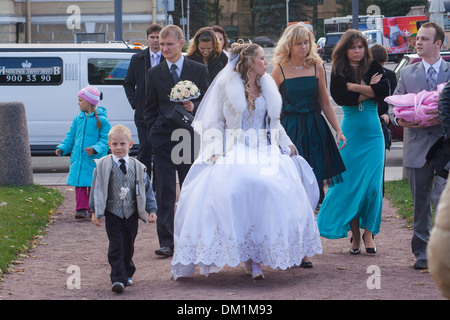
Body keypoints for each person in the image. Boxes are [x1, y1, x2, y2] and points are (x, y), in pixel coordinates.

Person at [170, 42, 322, 280]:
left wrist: (286, 143)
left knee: (273, 188)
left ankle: (257, 259)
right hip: (235, 145)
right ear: (250, 61)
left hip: (264, 147)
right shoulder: (226, 86)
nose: (266, 62)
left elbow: (274, 122)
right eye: (262, 58)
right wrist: (215, 149)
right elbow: (216, 123)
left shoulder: (268, 85)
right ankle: (245, 253)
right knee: (241, 185)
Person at [317, 29, 390, 255]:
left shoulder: (374, 67)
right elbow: (340, 97)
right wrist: (369, 90)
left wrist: (354, 87)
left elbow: (383, 92)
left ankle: (369, 234)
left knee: (372, 187)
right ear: (345, 49)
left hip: (373, 135)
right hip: (350, 134)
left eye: (360, 47)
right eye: (353, 47)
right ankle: (355, 236)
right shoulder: (338, 70)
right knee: (349, 185)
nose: (357, 51)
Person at [387, 22, 450, 270]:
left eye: (424, 39)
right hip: (417, 145)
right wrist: (397, 119)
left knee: (443, 198)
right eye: (417, 39)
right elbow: (393, 107)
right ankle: (422, 252)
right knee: (420, 201)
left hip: (445, 145)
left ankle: (442, 250)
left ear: (438, 43)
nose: (418, 42)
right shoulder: (407, 73)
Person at [144, 25, 211, 257]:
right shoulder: (154, 73)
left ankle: (192, 239)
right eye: (161, 45)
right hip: (163, 139)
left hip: (189, 139)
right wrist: (154, 132)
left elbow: (210, 103)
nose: (163, 48)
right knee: (164, 191)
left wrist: (195, 107)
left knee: (191, 189)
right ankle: (167, 242)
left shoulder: (198, 70)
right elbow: (148, 108)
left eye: (168, 44)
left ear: (181, 43)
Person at [271, 23, 346, 210]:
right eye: (298, 43)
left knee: (317, 174)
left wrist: (338, 130)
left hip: (315, 126)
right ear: (289, 45)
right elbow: (271, 107)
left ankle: (315, 220)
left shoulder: (317, 67)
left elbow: (325, 103)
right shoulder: (279, 70)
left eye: (306, 42)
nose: (303, 47)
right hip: (290, 128)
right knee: (293, 174)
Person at [90, 125, 157, 294]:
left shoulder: (138, 166)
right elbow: (96, 188)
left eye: (122, 144)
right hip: (113, 212)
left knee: (128, 244)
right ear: (109, 145)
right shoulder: (103, 165)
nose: (118, 148)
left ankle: (127, 272)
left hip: (132, 213)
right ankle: (117, 279)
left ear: (130, 144)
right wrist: (94, 211)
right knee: (116, 245)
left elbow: (146, 188)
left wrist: (152, 209)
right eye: (114, 144)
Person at [56, 86, 111, 219]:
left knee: (94, 184)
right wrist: (63, 147)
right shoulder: (78, 119)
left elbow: (106, 140)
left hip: (93, 159)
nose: (78, 103)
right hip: (79, 158)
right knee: (80, 184)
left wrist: (95, 149)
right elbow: (71, 136)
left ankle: (94, 208)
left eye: (80, 100)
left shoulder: (103, 121)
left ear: (89, 102)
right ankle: (81, 209)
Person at [123, 23, 164, 181]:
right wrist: (135, 102)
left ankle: (158, 187)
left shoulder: (168, 57)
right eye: (152, 37)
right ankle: (143, 185)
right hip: (142, 112)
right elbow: (128, 83)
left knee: (160, 150)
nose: (155, 41)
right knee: (145, 149)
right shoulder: (138, 58)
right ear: (147, 39)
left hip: (162, 112)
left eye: (158, 37)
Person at [370, 43, 397, 195]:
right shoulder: (389, 75)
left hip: (380, 119)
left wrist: (387, 113)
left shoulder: (390, 75)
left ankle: (379, 193)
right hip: (377, 118)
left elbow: (393, 98)